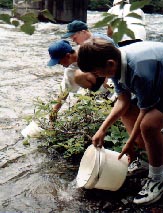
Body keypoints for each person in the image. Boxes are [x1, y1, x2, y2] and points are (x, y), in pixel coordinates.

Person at [77, 38, 163, 205]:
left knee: (149, 125)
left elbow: (145, 113)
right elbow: (123, 101)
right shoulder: (116, 64)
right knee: (128, 111)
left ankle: (157, 179)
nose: (97, 76)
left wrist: (129, 143)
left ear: (109, 63)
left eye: (97, 72)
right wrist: (102, 129)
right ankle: (149, 159)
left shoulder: (138, 71)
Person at [47, 40, 110, 119]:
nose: (61, 65)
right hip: (97, 93)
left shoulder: (89, 52)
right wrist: (54, 111)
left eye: (59, 62)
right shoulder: (70, 70)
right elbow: (65, 91)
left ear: (67, 56)